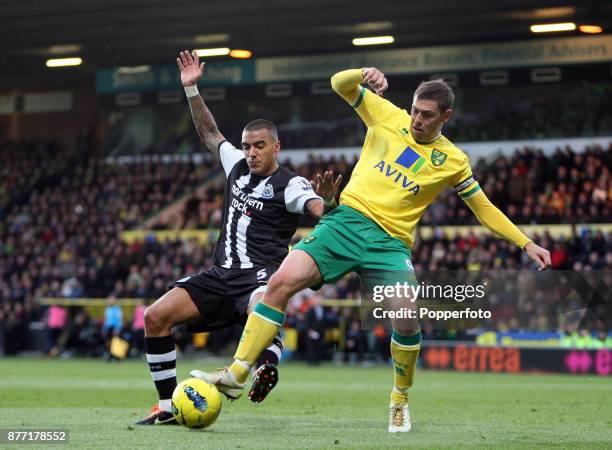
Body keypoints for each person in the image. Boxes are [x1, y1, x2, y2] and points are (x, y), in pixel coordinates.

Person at [201, 67, 552, 433]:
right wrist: (363, 72)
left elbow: (483, 208)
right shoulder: (386, 114)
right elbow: (338, 83)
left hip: (389, 243)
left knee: (406, 316)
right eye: (415, 109)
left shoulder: (453, 161)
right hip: (345, 223)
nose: (417, 119)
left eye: (427, 114)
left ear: (445, 116)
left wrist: (525, 243)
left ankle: (399, 399)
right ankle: (238, 372)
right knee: (280, 281)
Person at [135, 50, 342, 425]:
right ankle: (167, 408)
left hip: (261, 276)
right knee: (155, 316)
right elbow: (209, 133)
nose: (250, 152)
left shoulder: (290, 183)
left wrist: (326, 200)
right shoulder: (235, 166)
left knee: (261, 308)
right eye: (246, 146)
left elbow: (319, 211)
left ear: (276, 146)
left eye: (259, 145)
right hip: (219, 275)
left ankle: (267, 366)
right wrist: (192, 90)